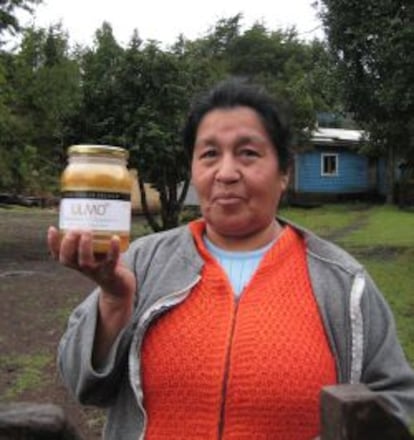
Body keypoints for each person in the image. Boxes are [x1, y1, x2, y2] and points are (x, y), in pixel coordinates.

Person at [48, 78, 414, 440]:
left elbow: (395, 396)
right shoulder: (140, 262)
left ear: (283, 172)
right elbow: (83, 385)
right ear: (193, 168)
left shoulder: (343, 282)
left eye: (248, 153)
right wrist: (114, 303)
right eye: (209, 154)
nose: (225, 173)